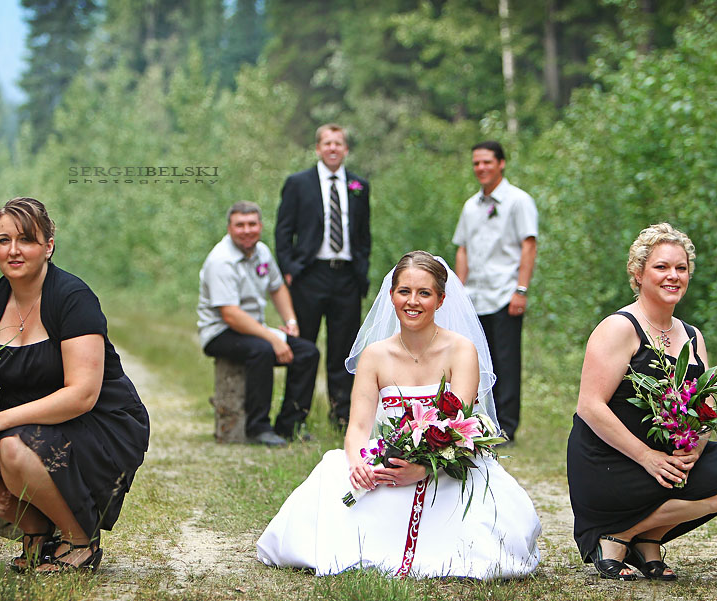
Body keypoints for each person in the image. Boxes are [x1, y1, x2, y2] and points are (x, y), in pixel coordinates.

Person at [256, 251, 541, 578]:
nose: (413, 302)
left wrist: (423, 469)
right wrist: (359, 462)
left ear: (441, 299)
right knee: (335, 481)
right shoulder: (375, 355)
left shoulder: (461, 350)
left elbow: (462, 428)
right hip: (386, 462)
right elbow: (359, 426)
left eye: (424, 293)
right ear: (391, 295)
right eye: (404, 291)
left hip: (447, 467)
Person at [0, 197, 150, 573]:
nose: (13, 250)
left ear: (48, 245)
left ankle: (80, 540)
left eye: (26, 239)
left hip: (97, 421)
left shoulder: (73, 298)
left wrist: (0, 421)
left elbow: (82, 394)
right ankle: (38, 530)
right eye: (3, 240)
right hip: (22, 425)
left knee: (14, 450)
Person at [566, 223, 717, 581]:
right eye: (661, 267)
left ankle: (645, 536)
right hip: (612, 459)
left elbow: (706, 409)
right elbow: (589, 406)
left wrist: (697, 447)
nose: (673, 276)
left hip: (667, 459)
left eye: (681, 268)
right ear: (638, 273)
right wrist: (647, 456)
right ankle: (613, 536)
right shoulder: (620, 327)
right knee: (715, 497)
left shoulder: (692, 335)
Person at [198, 201, 320, 447]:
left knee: (307, 352)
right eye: (240, 225)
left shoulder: (262, 252)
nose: (247, 230)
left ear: (260, 226)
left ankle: (290, 425)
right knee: (262, 350)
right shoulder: (221, 260)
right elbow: (230, 315)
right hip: (220, 332)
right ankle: (258, 427)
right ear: (230, 228)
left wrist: (290, 321)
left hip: (253, 329)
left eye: (252, 224)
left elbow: (277, 288)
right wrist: (273, 338)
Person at [275, 123, 371, 426]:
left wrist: (362, 268)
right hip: (309, 275)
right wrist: (290, 270)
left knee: (344, 350)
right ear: (317, 148)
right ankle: (294, 417)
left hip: (346, 277)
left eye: (338, 143)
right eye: (327, 143)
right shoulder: (298, 183)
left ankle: (342, 415)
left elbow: (364, 235)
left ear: (345, 149)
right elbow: (283, 230)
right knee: (304, 347)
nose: (332, 148)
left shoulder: (359, 186)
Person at [453, 140, 537, 442]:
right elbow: (462, 247)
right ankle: (478, 422)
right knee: (473, 361)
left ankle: (506, 426)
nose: (481, 168)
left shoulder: (518, 201)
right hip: (474, 296)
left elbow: (528, 245)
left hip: (504, 293)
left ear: (501, 163)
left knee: (506, 360)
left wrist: (521, 289)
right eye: (476, 163)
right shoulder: (470, 206)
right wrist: (458, 289)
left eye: (487, 162)